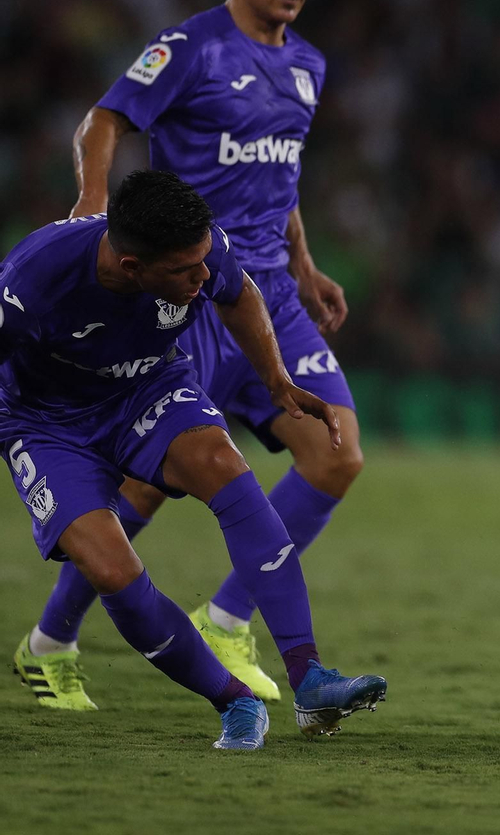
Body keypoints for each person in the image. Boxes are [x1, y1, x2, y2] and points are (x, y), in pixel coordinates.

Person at [14, 0, 361, 708]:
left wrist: (303, 266)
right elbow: (102, 121)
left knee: (337, 451)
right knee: (149, 484)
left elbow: (282, 178)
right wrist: (94, 204)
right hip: (190, 292)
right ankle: (50, 640)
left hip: (268, 290)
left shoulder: (308, 64)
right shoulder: (189, 50)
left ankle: (228, 614)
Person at [1, 171, 385, 749]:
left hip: (147, 389)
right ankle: (234, 701)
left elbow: (240, 293)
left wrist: (277, 382)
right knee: (109, 569)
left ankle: (310, 680)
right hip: (47, 423)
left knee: (223, 465)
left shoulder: (199, 249)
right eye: (186, 271)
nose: (202, 276)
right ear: (133, 267)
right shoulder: (33, 282)